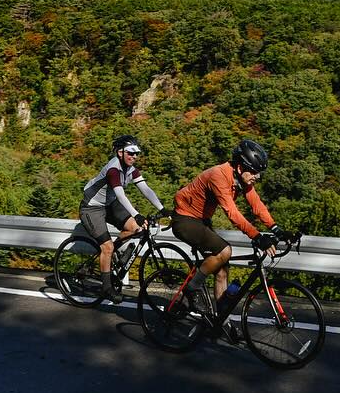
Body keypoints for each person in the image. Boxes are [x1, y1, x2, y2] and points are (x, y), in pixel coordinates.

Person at [170, 139, 282, 321]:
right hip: (185, 219)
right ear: (240, 168)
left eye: (259, 173)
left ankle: (221, 321)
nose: (257, 177)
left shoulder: (242, 179)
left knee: (222, 271)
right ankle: (192, 288)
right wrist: (257, 236)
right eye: (253, 172)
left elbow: (257, 205)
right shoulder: (219, 175)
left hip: (202, 220)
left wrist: (276, 228)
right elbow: (232, 213)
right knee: (225, 251)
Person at [79, 134, 166, 303]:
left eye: (136, 154)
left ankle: (117, 255)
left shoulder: (131, 169)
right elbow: (120, 195)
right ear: (120, 153)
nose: (134, 157)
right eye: (131, 153)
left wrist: (163, 209)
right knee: (107, 247)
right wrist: (137, 214)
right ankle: (106, 288)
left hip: (109, 204)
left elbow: (146, 189)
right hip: (92, 207)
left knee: (136, 228)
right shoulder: (113, 169)